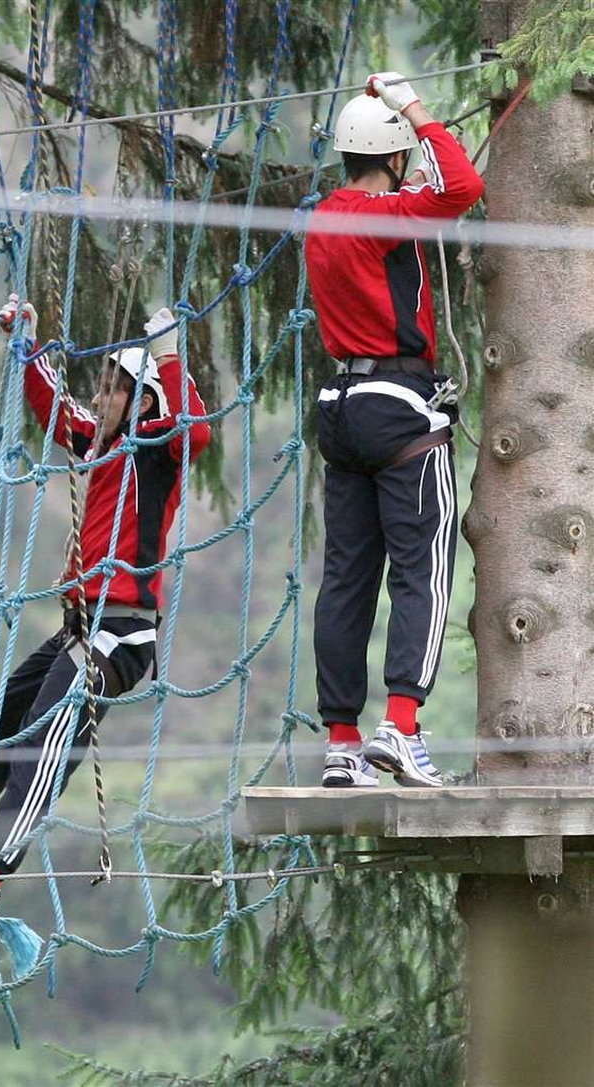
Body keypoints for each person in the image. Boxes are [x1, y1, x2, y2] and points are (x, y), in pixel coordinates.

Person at [0, 302, 211, 922]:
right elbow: (54, 407)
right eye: (101, 386)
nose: (101, 398)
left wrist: (167, 356)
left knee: (48, 737)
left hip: (123, 635)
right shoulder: (94, 443)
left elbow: (196, 431)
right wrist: (24, 342)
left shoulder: (158, 450)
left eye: (115, 389)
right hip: (79, 628)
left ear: (144, 402)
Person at [304, 71, 484, 789]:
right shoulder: (387, 215)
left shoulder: (325, 217)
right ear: (395, 156)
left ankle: (342, 743)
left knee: (347, 579)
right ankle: (401, 726)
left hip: (342, 407)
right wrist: (414, 104)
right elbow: (463, 187)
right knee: (424, 569)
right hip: (398, 406)